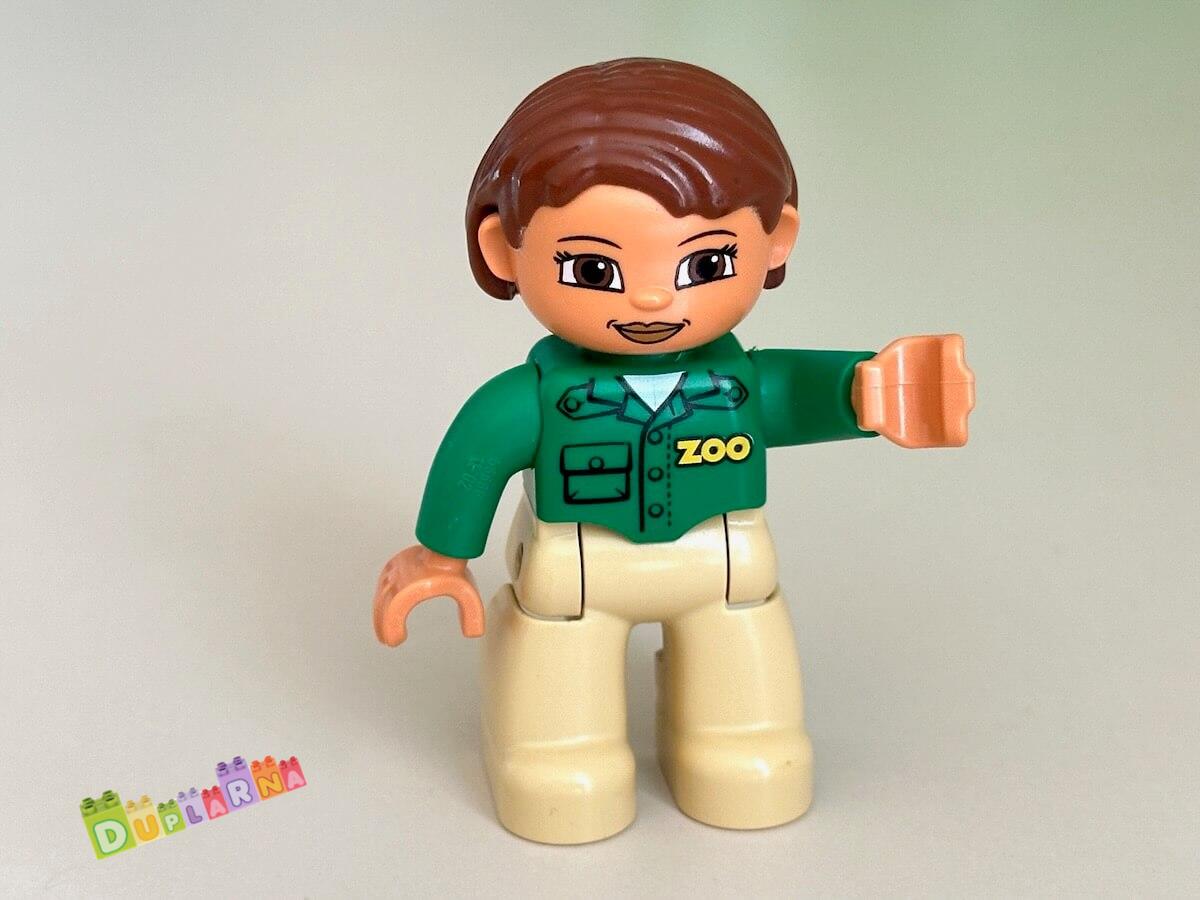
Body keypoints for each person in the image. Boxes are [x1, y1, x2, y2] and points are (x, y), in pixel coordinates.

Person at [372, 58, 975, 845]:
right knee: (557, 669)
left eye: (706, 264)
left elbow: (803, 392)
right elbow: (476, 453)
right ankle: (556, 752)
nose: (653, 297)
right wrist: (441, 554)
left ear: (776, 240)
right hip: (578, 567)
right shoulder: (532, 399)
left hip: (721, 561)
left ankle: (737, 740)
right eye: (594, 269)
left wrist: (870, 392)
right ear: (503, 251)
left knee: (741, 660)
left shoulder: (740, 383)